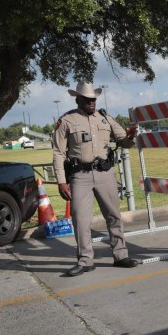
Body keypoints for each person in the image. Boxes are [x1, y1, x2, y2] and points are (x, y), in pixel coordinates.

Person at [52, 82, 139, 276]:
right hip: (79, 176)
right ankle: (85, 261)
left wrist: (131, 136)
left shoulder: (105, 118)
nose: (92, 102)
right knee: (81, 220)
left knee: (113, 216)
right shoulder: (67, 120)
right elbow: (58, 152)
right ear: (78, 99)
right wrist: (61, 181)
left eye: (94, 99)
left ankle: (120, 255)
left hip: (105, 174)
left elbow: (123, 141)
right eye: (88, 99)